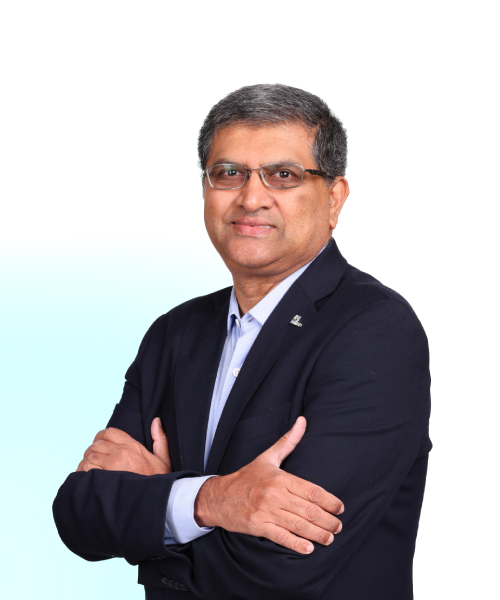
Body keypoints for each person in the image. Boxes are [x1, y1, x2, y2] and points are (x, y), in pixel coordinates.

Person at [53, 84, 432, 600]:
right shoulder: (175, 332)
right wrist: (210, 500)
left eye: (284, 175)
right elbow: (79, 515)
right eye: (228, 173)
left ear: (334, 198)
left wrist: (156, 505)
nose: (251, 198)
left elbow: (284, 567)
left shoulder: (375, 331)